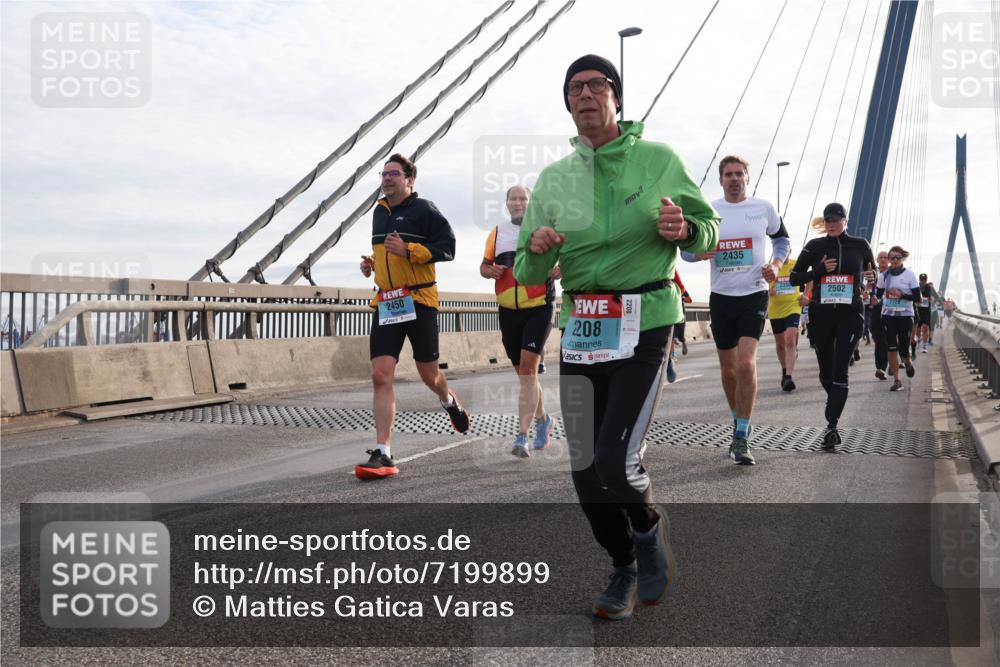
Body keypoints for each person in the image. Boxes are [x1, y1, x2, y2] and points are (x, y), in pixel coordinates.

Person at [515, 54, 719, 621]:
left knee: (615, 459)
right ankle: (624, 562)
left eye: (596, 85)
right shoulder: (555, 179)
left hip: (646, 319)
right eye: (574, 88)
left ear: (617, 97)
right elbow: (528, 275)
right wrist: (535, 253)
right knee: (584, 470)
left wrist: (687, 228)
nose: (585, 94)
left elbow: (706, 229)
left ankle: (650, 530)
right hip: (581, 327)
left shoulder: (658, 160)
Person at [356, 154, 471, 480]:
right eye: (384, 173)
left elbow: (448, 247)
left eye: (394, 173)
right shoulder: (379, 212)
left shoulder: (425, 211)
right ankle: (384, 452)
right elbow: (387, 255)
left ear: (410, 180)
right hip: (387, 303)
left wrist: (411, 251)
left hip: (419, 300)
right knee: (381, 375)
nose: (387, 178)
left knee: (429, 375)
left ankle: (449, 400)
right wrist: (373, 265)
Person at [682, 155, 790, 465]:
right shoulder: (709, 211)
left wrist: (776, 265)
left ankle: (742, 436)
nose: (734, 178)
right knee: (729, 370)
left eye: (739, 173)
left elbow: (782, 240)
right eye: (728, 174)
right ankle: (737, 420)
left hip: (753, 295)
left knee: (746, 364)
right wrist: (701, 253)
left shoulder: (763, 208)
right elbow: (685, 250)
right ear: (721, 179)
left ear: (747, 177)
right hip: (721, 296)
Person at [789, 203, 875, 448]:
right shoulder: (815, 247)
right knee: (826, 373)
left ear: (845, 221)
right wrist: (817, 270)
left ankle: (832, 426)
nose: (832, 224)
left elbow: (872, 271)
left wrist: (873, 277)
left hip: (850, 315)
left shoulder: (860, 245)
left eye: (836, 220)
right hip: (821, 316)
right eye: (828, 220)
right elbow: (795, 277)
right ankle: (834, 404)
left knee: (841, 370)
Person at [481, 185, 557, 457]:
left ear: (530, 202)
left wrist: (557, 270)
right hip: (508, 311)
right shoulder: (497, 233)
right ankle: (544, 420)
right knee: (526, 376)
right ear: (506, 203)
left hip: (539, 307)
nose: (518, 203)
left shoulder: (543, 229)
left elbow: (566, 258)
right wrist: (491, 271)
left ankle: (522, 436)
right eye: (513, 198)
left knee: (528, 371)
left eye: (523, 198)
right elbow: (483, 267)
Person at [876, 246, 921, 392]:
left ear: (902, 259)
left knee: (903, 347)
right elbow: (878, 295)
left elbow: (917, 298)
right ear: (889, 260)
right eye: (892, 258)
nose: (894, 260)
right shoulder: (883, 276)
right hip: (888, 315)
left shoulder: (910, 275)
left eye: (898, 258)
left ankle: (907, 362)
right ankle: (897, 380)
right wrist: (873, 299)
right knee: (891, 347)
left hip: (906, 315)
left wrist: (901, 295)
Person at [766, 255, 808, 391]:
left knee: (790, 340)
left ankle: (789, 377)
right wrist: (769, 291)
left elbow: (811, 279)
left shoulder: (796, 264)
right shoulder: (769, 267)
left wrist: (807, 295)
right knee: (780, 344)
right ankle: (785, 371)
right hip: (776, 310)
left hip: (793, 306)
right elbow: (758, 286)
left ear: (789, 250)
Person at [666, 270, 692, 383]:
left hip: (675, 310)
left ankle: (670, 356)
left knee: (675, 335)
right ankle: (669, 359)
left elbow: (689, 299)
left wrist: (682, 297)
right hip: (668, 309)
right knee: (670, 335)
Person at [869, 250, 890, 380]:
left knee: (884, 341)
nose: (883, 259)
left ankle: (881, 367)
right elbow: (865, 286)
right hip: (875, 313)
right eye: (880, 257)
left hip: (889, 312)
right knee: (879, 341)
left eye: (885, 257)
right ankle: (881, 367)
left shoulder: (892, 275)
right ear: (877, 260)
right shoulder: (872, 274)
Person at [915, 273, 940, 353]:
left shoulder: (930, 287)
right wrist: (915, 301)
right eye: (921, 280)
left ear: (926, 279)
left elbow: (937, 298)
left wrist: (933, 300)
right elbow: (912, 297)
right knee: (918, 328)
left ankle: (924, 345)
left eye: (924, 280)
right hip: (918, 310)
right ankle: (918, 340)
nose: (923, 281)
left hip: (926, 311)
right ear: (919, 280)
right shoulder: (916, 287)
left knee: (925, 327)